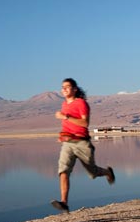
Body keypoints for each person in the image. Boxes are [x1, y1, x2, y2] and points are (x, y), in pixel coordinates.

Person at [50, 78, 116, 213]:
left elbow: (85, 123)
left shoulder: (81, 103)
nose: (64, 89)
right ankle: (64, 202)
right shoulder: (64, 104)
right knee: (63, 171)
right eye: (62, 87)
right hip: (68, 143)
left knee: (93, 172)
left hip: (82, 143)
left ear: (75, 89)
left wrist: (66, 117)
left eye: (67, 87)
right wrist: (63, 135)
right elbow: (68, 125)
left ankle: (108, 172)